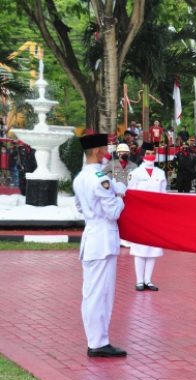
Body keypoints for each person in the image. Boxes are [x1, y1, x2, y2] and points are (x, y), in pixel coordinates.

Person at [73, 133, 127, 358]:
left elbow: (78, 206)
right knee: (100, 294)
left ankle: (96, 339)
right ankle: (98, 342)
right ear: (97, 152)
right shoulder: (100, 179)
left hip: (92, 236)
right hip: (103, 239)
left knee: (92, 292)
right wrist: (121, 194)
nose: (107, 152)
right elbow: (113, 212)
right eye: (105, 149)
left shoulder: (79, 177)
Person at [128, 145, 167, 291]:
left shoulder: (160, 173)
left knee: (153, 249)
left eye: (152, 153)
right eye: (148, 153)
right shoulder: (135, 173)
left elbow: (163, 195)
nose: (150, 156)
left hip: (155, 215)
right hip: (140, 215)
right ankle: (139, 280)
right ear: (143, 155)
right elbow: (130, 193)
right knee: (140, 248)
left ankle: (148, 280)